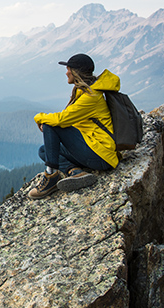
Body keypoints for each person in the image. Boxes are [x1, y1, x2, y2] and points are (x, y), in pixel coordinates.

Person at [28, 53, 120, 199]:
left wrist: (39, 118)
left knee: (51, 124)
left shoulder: (91, 96)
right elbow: (69, 119)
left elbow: (62, 120)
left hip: (101, 155)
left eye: (69, 69)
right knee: (44, 150)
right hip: (93, 149)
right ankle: (75, 172)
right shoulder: (84, 91)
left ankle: (51, 177)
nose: (66, 72)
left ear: (76, 72)